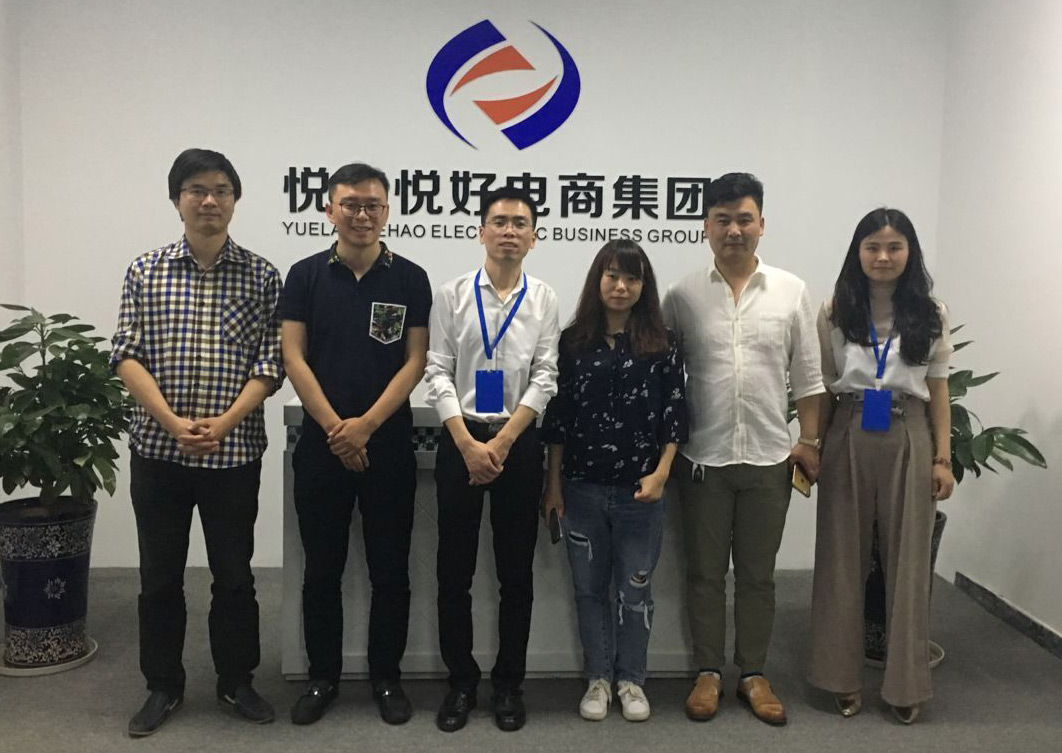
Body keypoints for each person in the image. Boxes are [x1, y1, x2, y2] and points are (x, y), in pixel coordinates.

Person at [111, 148, 282, 736]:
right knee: (159, 575)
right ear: (176, 200)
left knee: (234, 574)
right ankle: (163, 685)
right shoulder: (145, 270)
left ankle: (236, 681)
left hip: (233, 455)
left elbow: (271, 362)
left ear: (235, 200)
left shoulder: (262, 275)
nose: (209, 200)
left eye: (221, 190)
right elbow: (125, 355)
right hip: (159, 453)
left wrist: (225, 422)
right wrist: (170, 422)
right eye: (196, 190)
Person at [662, 172, 824, 726]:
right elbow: (664, 377)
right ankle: (708, 672)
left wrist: (809, 441)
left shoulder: (790, 291)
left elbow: (808, 377)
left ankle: (753, 673)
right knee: (705, 574)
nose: (734, 229)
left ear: (762, 225)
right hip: (702, 459)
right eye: (722, 219)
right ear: (705, 226)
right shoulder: (682, 296)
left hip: (769, 459)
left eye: (744, 219)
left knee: (757, 575)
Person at [279, 162, 431, 725]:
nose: (362, 215)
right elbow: (293, 357)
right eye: (351, 204)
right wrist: (337, 430)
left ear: (386, 211)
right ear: (329, 210)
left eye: (373, 205)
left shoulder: (410, 278)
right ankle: (323, 677)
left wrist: (364, 426)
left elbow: (415, 361)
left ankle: (386, 678)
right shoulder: (305, 275)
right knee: (322, 570)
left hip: (387, 445)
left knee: (390, 570)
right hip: (322, 446)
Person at [807, 208, 954, 725]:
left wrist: (942, 458)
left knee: (908, 562)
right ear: (858, 252)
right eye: (872, 247)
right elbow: (824, 385)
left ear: (910, 252)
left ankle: (905, 684)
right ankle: (840, 677)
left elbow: (938, 390)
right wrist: (812, 446)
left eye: (894, 247)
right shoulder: (835, 309)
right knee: (840, 558)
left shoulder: (930, 313)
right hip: (847, 428)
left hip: (908, 430)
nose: (883, 257)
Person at [424, 187, 560, 732]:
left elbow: (546, 375)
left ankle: (508, 685)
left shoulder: (544, 298)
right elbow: (437, 370)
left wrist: (502, 443)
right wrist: (466, 443)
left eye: (519, 223)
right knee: (453, 572)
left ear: (534, 236)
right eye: (499, 221)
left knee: (515, 574)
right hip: (461, 441)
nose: (509, 231)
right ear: (481, 231)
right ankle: (461, 683)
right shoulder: (452, 295)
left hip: (517, 446)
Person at [541, 240, 687, 722]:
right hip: (581, 488)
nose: (621, 286)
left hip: (641, 492)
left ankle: (632, 680)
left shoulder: (662, 342)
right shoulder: (572, 342)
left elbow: (675, 414)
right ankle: (598, 679)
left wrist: (662, 473)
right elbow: (558, 420)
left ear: (644, 286)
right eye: (612, 276)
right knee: (588, 590)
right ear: (597, 281)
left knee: (635, 590)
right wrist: (553, 485)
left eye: (632, 278)